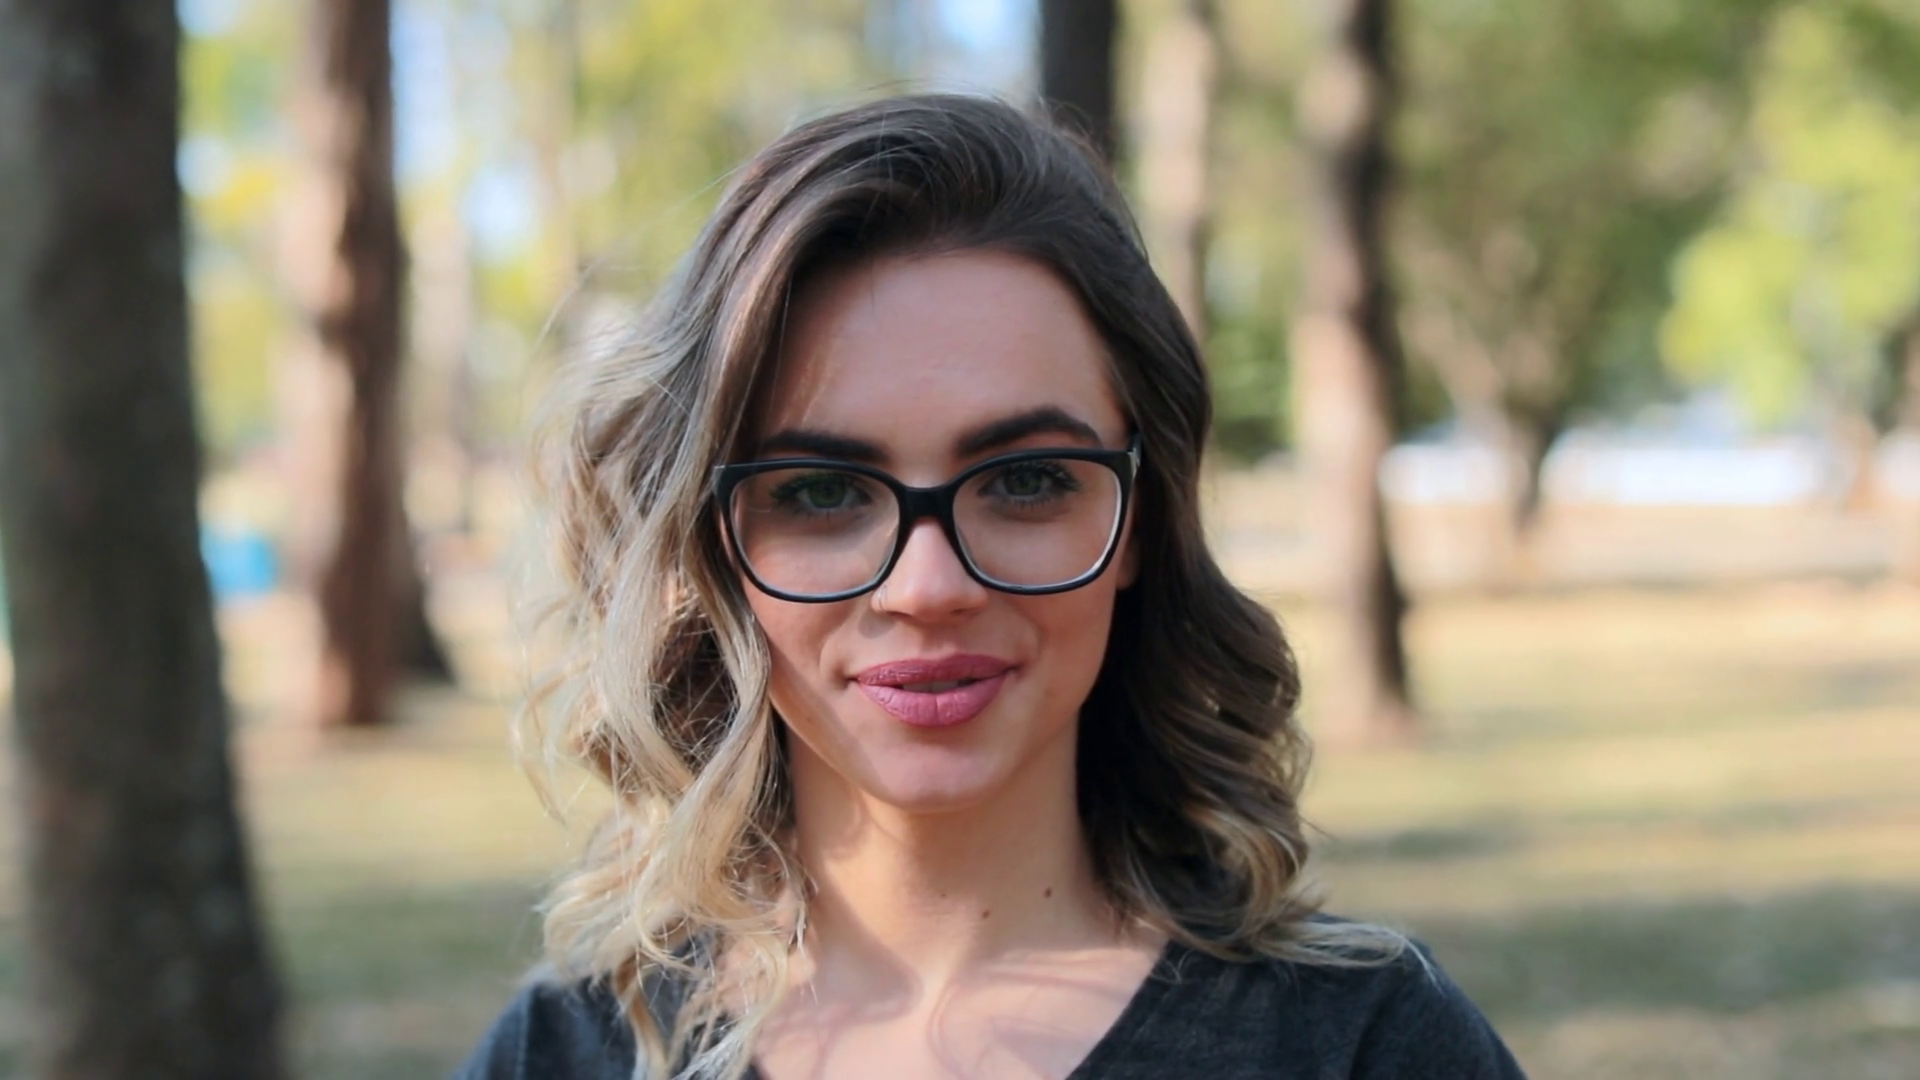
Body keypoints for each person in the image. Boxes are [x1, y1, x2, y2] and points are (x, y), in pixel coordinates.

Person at [457, 94, 1523, 1080]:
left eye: (1027, 480)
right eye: (821, 490)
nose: (928, 587)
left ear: (1141, 518)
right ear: (707, 541)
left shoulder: (1366, 1044)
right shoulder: (567, 1053)